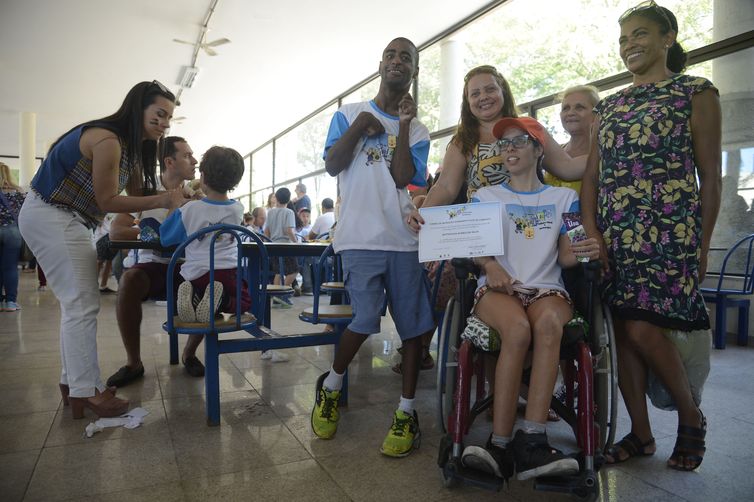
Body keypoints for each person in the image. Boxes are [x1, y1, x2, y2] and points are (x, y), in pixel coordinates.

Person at [580, 2, 721, 472]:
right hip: (617, 237)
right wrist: (594, 232)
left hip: (670, 234)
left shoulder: (695, 92)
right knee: (622, 333)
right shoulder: (610, 105)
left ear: (668, 38)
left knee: (644, 327)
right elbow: (591, 180)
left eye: (639, 34)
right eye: (623, 39)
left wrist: (702, 245)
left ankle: (690, 416)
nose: (629, 45)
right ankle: (640, 433)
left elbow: (710, 177)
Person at [17, 80, 188, 419]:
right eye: (159, 114)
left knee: (77, 303)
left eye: (169, 118)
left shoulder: (130, 147)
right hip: (55, 215)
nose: (165, 123)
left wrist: (175, 188)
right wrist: (166, 199)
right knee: (82, 303)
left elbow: (139, 188)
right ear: (138, 109)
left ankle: (74, 384)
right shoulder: (108, 140)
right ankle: (87, 391)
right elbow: (107, 200)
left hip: (64, 217)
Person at [310, 37, 436, 458]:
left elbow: (404, 180)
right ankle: (331, 385)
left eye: (407, 58)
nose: (398, 61)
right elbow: (332, 165)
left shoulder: (417, 129)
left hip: (403, 240)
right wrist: (363, 123)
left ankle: (406, 411)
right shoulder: (347, 114)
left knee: (414, 327)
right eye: (391, 55)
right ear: (380, 64)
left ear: (414, 71)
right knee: (363, 319)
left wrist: (400, 125)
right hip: (359, 237)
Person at [459, 117, 600, 481]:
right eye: (504, 144)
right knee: (518, 330)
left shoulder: (564, 197)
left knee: (550, 324)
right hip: (497, 288)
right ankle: (501, 443)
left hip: (546, 286)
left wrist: (587, 248)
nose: (510, 150)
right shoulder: (484, 197)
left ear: (539, 149)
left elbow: (569, 255)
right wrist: (489, 265)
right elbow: (476, 249)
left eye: (519, 142)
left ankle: (533, 440)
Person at [418, 65, 586, 210]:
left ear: (502, 91)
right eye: (475, 94)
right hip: (483, 229)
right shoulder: (462, 140)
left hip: (532, 223)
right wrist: (421, 214)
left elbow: (567, 167)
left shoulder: (528, 127)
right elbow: (445, 187)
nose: (483, 97)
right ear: (468, 102)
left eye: (490, 89)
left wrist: (609, 148)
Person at [106, 136, 204, 387]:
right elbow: (116, 232)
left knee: (216, 283)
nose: (194, 160)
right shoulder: (144, 194)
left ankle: (189, 353)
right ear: (169, 162)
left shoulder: (198, 196)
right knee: (129, 280)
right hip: (153, 268)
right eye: (187, 155)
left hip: (188, 267)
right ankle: (134, 363)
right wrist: (152, 234)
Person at [160, 146, 251, 325]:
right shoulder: (237, 209)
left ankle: (194, 295)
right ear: (236, 181)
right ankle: (222, 299)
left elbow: (165, 238)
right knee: (245, 302)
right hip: (227, 272)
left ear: (202, 177)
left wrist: (174, 206)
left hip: (195, 275)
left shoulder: (189, 209)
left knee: (202, 289)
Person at [543, 84, 601, 193]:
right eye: (566, 108)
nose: (570, 113)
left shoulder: (603, 153)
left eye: (579, 107)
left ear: (596, 115)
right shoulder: (553, 152)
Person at [0, 162, 25, 312]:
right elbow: (24, 214)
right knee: (10, 267)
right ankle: (10, 302)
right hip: (13, 232)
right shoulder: (17, 191)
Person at [265, 187, 298, 290]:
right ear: (288, 199)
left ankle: (276, 297)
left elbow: (267, 231)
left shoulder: (270, 212)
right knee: (294, 271)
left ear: (276, 198)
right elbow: (289, 230)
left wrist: (267, 244)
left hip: (273, 245)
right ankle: (284, 290)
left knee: (278, 272)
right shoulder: (289, 212)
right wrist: (296, 242)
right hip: (286, 246)